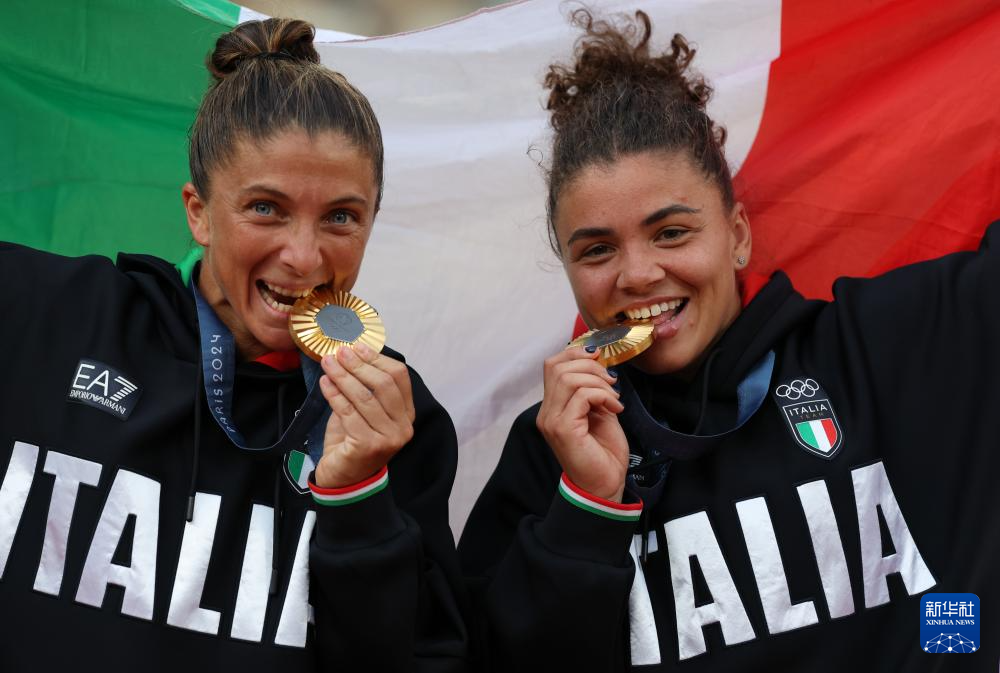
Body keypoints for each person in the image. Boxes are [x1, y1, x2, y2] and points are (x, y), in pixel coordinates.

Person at [459, 8, 1000, 672]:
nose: (638, 274)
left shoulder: (881, 345)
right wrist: (588, 509)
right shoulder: (550, 451)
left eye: (671, 233)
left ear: (737, 235)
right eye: (597, 249)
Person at [0, 18, 466, 672]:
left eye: (340, 216)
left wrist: (360, 503)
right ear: (199, 211)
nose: (303, 257)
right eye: (266, 208)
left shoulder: (396, 417)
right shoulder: (47, 313)